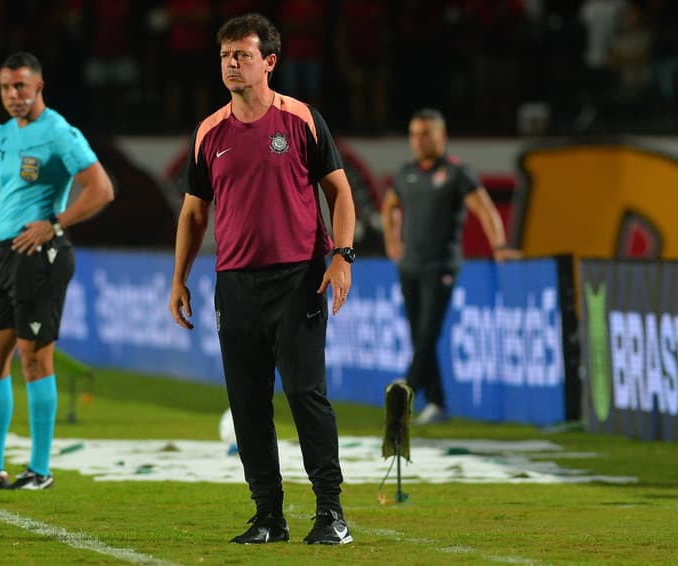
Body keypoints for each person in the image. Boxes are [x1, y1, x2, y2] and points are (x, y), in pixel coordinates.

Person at [168, 13, 356, 545]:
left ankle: (331, 513)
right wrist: (178, 278)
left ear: (269, 62)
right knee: (248, 403)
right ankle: (268, 516)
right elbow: (192, 214)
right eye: (226, 55)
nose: (232, 63)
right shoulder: (209, 131)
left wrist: (341, 255)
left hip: (299, 279)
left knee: (304, 394)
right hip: (235, 283)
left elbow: (341, 193)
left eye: (243, 55)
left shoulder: (300, 120)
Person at [0, 51, 114, 491]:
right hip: (4, 256)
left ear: (39, 87)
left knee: (34, 360)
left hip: (43, 255)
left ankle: (39, 469)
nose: (13, 95)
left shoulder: (58, 132)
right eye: (5, 87)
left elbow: (102, 189)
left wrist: (55, 223)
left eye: (21, 86)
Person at [381, 108, 520, 425]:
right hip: (410, 265)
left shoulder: (458, 172)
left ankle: (405, 393)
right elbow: (390, 206)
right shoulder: (406, 173)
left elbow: (484, 208)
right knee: (420, 336)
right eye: (414, 134)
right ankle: (438, 403)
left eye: (426, 134)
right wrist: (392, 240)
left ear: (441, 137)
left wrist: (498, 245)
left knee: (429, 333)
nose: (419, 140)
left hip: (441, 264)